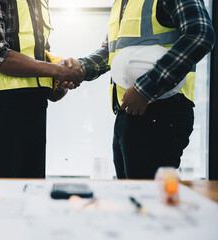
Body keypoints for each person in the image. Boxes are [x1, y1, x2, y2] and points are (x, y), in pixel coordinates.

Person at [65, 0, 215, 179]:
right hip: (129, 112)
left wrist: (146, 89)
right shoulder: (122, 3)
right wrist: (81, 67)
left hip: (161, 112)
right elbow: (111, 51)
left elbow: (200, 35)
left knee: (148, 200)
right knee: (133, 196)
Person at [0, 0, 83, 178]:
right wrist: (57, 71)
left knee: (33, 193)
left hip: (37, 109)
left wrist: (58, 81)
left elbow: (39, 54)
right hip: (3, 112)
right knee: (3, 197)